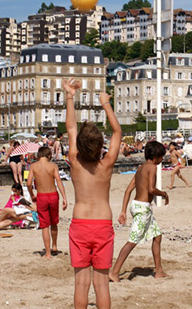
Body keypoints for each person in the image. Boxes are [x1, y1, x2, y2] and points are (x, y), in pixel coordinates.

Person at [64, 78, 122, 309]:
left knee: (80, 283)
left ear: (80, 145)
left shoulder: (75, 163)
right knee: (101, 284)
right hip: (102, 223)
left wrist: (70, 95)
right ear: (100, 146)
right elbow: (117, 132)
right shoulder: (106, 164)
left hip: (80, 223)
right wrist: (105, 103)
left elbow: (70, 127)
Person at [110, 141, 169, 283]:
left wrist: (123, 211)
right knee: (132, 240)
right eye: (161, 157)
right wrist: (164, 194)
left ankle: (159, 270)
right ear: (156, 156)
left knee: (157, 236)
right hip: (143, 208)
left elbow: (128, 190)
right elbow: (151, 189)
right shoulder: (152, 168)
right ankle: (114, 272)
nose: (161, 160)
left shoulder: (140, 168)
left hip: (138, 206)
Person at [27, 147, 67, 260]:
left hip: (42, 196)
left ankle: (48, 253)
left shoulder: (34, 166)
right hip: (53, 195)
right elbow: (59, 181)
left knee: (44, 225)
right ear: (49, 155)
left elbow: (29, 183)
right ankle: (54, 246)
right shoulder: (53, 166)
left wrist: (31, 195)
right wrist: (64, 197)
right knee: (54, 222)